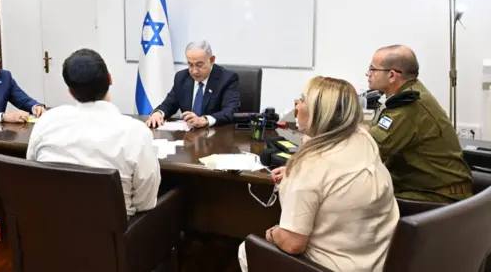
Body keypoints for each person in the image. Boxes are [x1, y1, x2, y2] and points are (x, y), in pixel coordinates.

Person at [239, 76, 398, 272]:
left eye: (303, 99)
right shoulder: (363, 137)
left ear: (320, 112)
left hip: (331, 267)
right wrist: (296, 167)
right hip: (377, 257)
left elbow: (292, 243)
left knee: (246, 249)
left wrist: (273, 233)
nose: (297, 105)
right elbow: (332, 173)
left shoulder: (311, 165)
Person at [26, 48, 160, 217]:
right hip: (115, 237)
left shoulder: (46, 121)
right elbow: (145, 202)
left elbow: (32, 170)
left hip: (52, 229)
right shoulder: (136, 132)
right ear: (110, 79)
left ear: (70, 91)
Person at [366, 45, 473, 202]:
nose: (367, 73)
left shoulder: (406, 108)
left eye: (372, 69)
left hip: (437, 197)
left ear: (392, 75)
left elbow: (369, 150)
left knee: (361, 202)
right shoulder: (412, 92)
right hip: (436, 189)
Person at [146, 40, 240, 129]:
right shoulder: (181, 77)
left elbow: (230, 111)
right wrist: (158, 113)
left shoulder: (227, 78)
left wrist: (204, 120)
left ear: (211, 60)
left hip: (216, 136)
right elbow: (169, 103)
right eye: (190, 65)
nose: (194, 71)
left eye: (199, 65)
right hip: (187, 137)